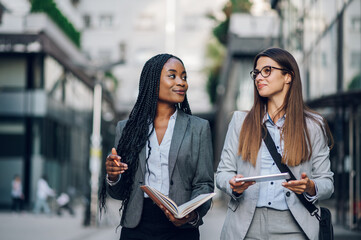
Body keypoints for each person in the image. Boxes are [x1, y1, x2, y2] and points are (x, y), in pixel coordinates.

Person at [216, 47, 334, 240]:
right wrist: (232, 185)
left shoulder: (313, 125)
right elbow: (222, 173)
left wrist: (310, 187)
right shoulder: (240, 121)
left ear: (288, 76)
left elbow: (327, 183)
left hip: (294, 227)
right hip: (245, 226)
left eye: (267, 71)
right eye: (256, 73)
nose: (259, 78)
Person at [99, 53, 214, 240]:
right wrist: (113, 176)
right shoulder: (127, 129)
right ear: (152, 81)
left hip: (181, 228)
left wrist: (191, 215)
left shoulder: (198, 128)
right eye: (172, 75)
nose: (182, 82)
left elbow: (204, 184)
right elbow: (118, 193)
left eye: (184, 77)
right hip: (137, 226)